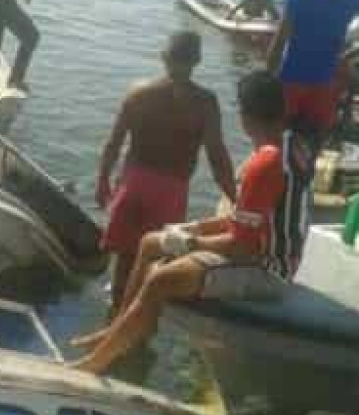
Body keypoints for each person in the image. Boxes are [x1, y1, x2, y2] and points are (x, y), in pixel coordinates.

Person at [73, 70, 314, 375]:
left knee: (160, 279)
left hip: (267, 271)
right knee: (149, 242)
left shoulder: (264, 164)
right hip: (268, 252)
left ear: (245, 116)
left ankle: (98, 361)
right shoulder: (296, 144)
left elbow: (241, 247)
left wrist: (188, 243)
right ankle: (117, 331)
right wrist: (194, 228)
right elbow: (246, 220)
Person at [96, 31, 236, 315]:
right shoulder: (205, 103)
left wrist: (102, 181)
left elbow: (113, 143)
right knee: (153, 266)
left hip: (133, 185)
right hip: (170, 191)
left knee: (124, 261)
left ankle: (113, 317)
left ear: (163, 57)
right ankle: (135, 323)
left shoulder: (139, 94)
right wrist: (236, 198)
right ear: (197, 60)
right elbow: (217, 157)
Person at [267, 0, 359, 135]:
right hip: (325, 82)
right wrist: (347, 56)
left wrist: (268, 76)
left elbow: (280, 38)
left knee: (275, 135)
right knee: (315, 138)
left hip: (292, 77)